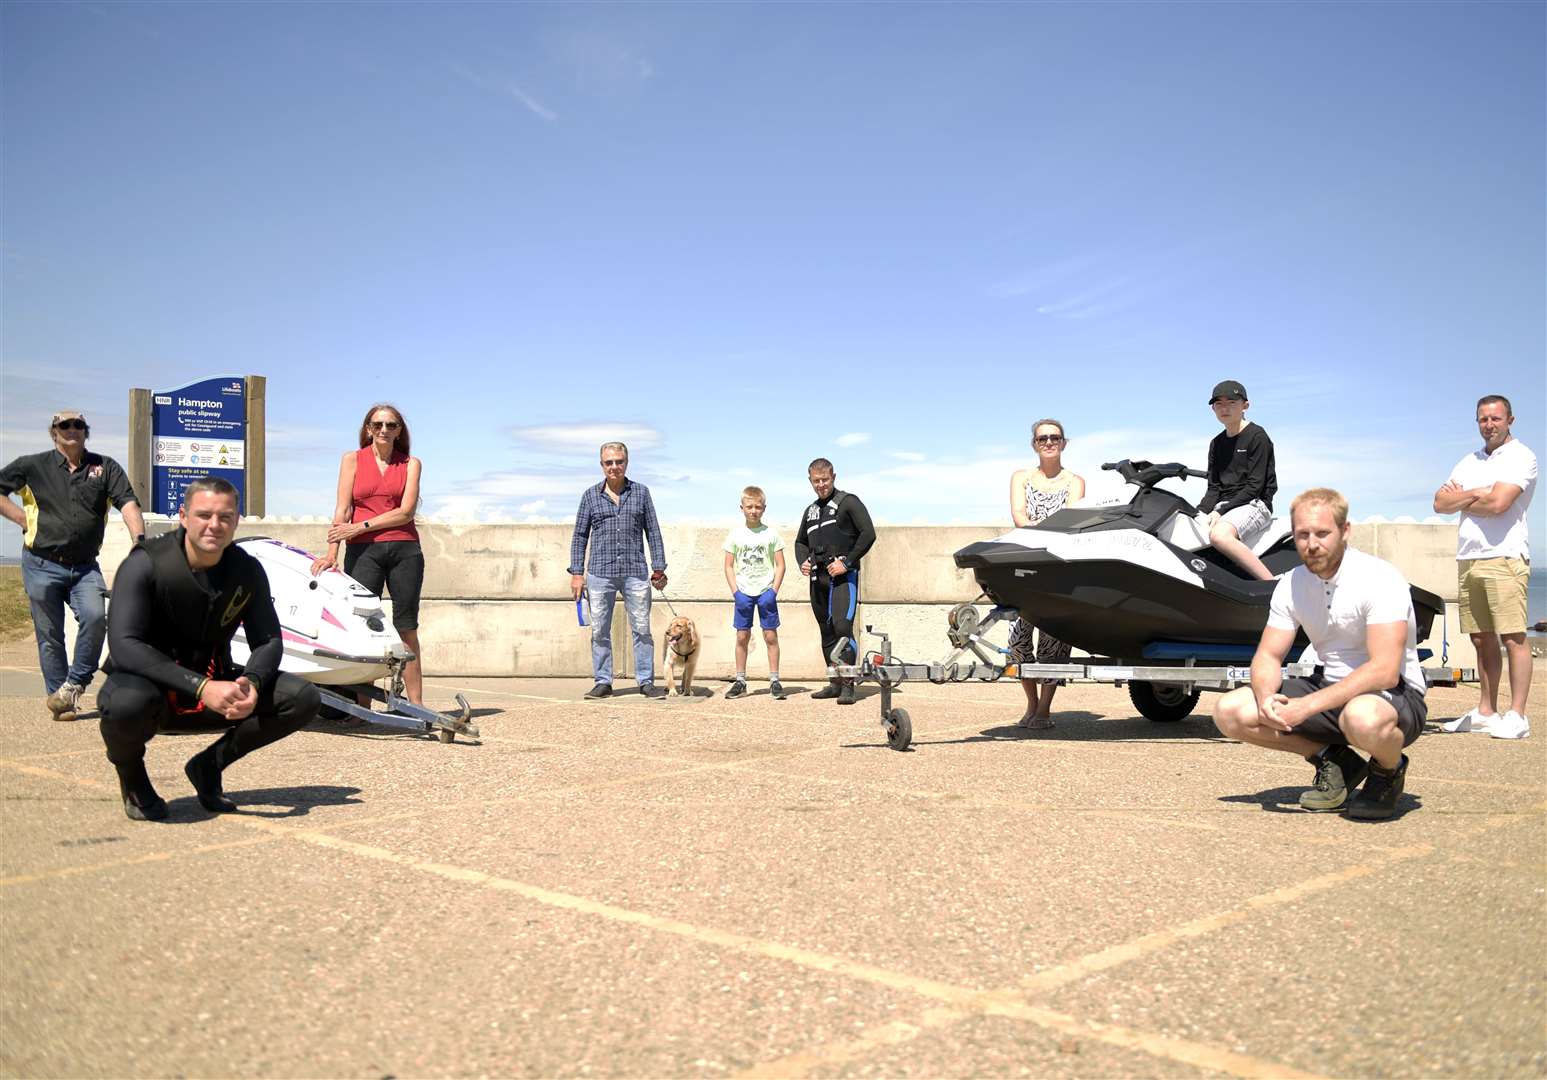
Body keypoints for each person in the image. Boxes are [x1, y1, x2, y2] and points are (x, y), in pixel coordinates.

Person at [97, 477, 320, 821]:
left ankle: (208, 766)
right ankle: (133, 780)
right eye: (204, 515)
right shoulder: (145, 563)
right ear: (184, 516)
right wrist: (203, 687)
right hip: (151, 691)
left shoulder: (246, 570)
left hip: (213, 685)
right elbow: (124, 645)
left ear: (237, 520)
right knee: (125, 703)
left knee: (302, 697)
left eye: (225, 517)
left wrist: (253, 682)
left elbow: (269, 640)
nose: (214, 525)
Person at [1212, 488, 1428, 820]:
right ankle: (1337, 760)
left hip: (1394, 695)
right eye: (1302, 535)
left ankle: (1388, 770)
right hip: (1329, 686)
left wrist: (1305, 707)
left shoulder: (1379, 578)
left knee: (1361, 718)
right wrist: (1267, 698)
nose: (1312, 544)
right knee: (1231, 711)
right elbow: (1269, 656)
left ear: (1345, 531)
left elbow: (1384, 669)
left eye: (1323, 533)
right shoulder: (1291, 584)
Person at [0, 409, 146, 722]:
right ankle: (60, 699)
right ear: (54, 432)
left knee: (95, 618)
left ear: (85, 431)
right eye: (64, 425)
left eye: (78, 425)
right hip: (40, 563)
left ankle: (75, 683)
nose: (71, 429)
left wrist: (140, 540)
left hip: (84, 566)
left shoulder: (104, 467)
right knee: (49, 634)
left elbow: (129, 504)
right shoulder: (31, 465)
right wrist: (21, 519)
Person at [1433, 394, 1537, 740]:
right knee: (1480, 638)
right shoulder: (1469, 461)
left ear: (1510, 420)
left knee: (1513, 636)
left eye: (1495, 418)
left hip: (1504, 555)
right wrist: (1479, 493)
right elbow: (1440, 502)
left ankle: (1518, 715)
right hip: (1469, 555)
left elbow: (1500, 503)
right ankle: (1486, 711)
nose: (1489, 425)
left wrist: (1466, 498)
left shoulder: (1522, 457)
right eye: (1483, 419)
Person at [310, 404, 426, 705]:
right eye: (377, 425)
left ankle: (417, 706)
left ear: (400, 430)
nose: (384, 430)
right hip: (363, 552)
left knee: (406, 628)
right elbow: (343, 509)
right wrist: (332, 551)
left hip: (405, 549)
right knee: (363, 629)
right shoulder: (352, 460)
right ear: (368, 429)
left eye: (391, 425)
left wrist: (359, 526)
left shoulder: (411, 464)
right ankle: (361, 707)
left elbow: (405, 512)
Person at [568, 442, 668, 700]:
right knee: (600, 630)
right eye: (609, 462)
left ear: (627, 462)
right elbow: (580, 536)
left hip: (635, 571)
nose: (614, 466)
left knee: (642, 629)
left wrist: (659, 567)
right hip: (600, 573)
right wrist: (577, 573)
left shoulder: (642, 493)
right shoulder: (590, 496)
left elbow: (653, 531)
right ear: (602, 465)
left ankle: (646, 681)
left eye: (619, 461)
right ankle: (603, 681)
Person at [1006, 419, 1085, 729]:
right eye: (1042, 438)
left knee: (1053, 641)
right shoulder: (1020, 477)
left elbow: (1071, 520)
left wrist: (1043, 529)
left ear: (1064, 443)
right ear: (1034, 444)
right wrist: (1038, 529)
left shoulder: (1074, 481)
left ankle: (1045, 709)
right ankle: (1031, 702)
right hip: (1025, 562)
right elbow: (1019, 515)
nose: (1049, 442)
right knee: (1018, 640)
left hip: (1059, 565)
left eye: (1054, 437)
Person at [794, 458, 875, 706]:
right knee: (826, 631)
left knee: (842, 628)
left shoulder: (848, 502)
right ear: (810, 481)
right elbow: (800, 542)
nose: (821, 485)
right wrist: (803, 561)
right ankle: (834, 683)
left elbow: (868, 534)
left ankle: (849, 685)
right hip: (819, 579)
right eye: (816, 481)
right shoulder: (810, 511)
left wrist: (847, 562)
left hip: (843, 578)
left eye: (825, 480)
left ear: (834, 477)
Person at [1199, 380, 1277, 581]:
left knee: (1219, 536)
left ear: (1245, 406)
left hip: (1255, 504)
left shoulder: (1257, 436)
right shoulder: (1216, 443)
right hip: (1225, 506)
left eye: (1231, 403)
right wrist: (1197, 513)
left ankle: (1273, 587)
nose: (1224, 408)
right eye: (1218, 404)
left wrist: (1220, 511)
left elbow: (1255, 486)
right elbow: (1213, 489)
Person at [722, 486, 786, 700]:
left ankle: (775, 680)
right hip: (744, 593)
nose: (753, 511)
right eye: (749, 507)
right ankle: (740, 680)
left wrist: (773, 591)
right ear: (742, 508)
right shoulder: (735, 535)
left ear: (764, 508)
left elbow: (780, 565)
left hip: (765, 592)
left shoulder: (771, 534)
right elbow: (729, 566)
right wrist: (736, 592)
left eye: (758, 507)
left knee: (770, 636)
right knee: (742, 636)